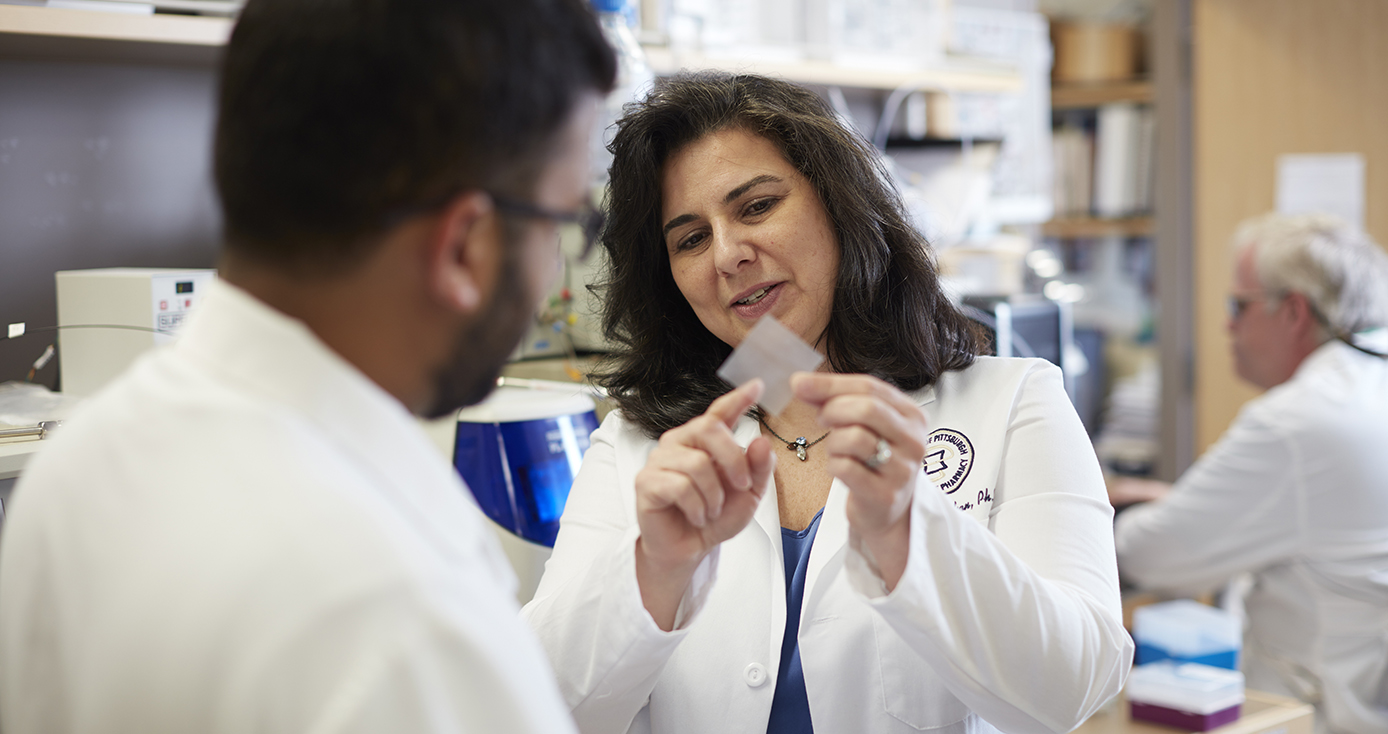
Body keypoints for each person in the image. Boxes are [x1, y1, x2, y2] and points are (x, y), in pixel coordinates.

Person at [0, 0, 615, 731]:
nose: (555, 271)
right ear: (464, 247)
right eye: (565, 223)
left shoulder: (71, 471)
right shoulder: (403, 613)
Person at [521, 72, 1132, 734]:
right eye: (690, 238)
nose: (728, 255)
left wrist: (911, 534)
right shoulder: (637, 448)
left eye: (755, 206)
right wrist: (656, 571)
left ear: (839, 205)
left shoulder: (1013, 402)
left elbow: (1075, 686)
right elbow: (538, 708)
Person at [1112, 213, 1388, 734]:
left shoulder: (1299, 420)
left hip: (1318, 716)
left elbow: (1153, 555)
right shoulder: (1369, 380)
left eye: (1238, 305)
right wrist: (1181, 502)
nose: (1227, 325)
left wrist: (1087, 515)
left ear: (1294, 311)